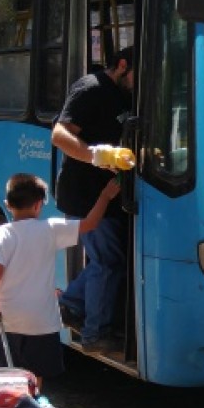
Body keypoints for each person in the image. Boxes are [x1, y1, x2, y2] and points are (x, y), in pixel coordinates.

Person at [0, 174, 122, 391]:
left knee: (11, 374)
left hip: (9, 320)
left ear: (7, 205)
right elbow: (91, 223)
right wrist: (106, 196)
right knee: (36, 374)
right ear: (39, 205)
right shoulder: (51, 228)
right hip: (42, 321)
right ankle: (32, 407)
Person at [51, 46, 136, 353]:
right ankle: (94, 334)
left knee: (113, 259)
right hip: (86, 193)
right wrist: (95, 155)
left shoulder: (125, 94)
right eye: (136, 74)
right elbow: (59, 136)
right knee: (107, 261)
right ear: (123, 65)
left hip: (111, 192)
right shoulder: (90, 88)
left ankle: (72, 303)